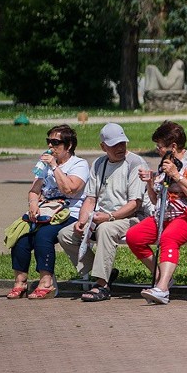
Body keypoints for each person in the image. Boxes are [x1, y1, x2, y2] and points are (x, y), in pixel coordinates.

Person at [58, 123, 150, 302]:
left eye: (122, 143)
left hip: (132, 218)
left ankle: (101, 285)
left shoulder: (135, 163)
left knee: (105, 230)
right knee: (66, 235)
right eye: (115, 144)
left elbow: (134, 204)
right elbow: (90, 199)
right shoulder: (99, 163)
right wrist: (82, 221)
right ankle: (103, 272)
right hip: (102, 217)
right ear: (103, 147)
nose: (120, 148)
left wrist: (109, 217)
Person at [126, 121, 187, 305]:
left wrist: (177, 176)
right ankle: (162, 277)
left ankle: (162, 289)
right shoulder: (165, 164)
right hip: (164, 216)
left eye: (160, 146)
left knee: (168, 237)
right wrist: (150, 182)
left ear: (173, 147)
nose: (157, 150)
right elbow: (155, 200)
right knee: (134, 236)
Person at [7, 125, 89, 300]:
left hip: (69, 211)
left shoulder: (79, 164)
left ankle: (47, 283)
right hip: (46, 211)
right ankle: (20, 283)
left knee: (43, 235)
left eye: (56, 142)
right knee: (21, 235)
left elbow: (71, 190)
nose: (51, 146)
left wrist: (54, 166)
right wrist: (33, 204)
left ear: (69, 146)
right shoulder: (43, 165)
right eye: (49, 142)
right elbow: (34, 190)